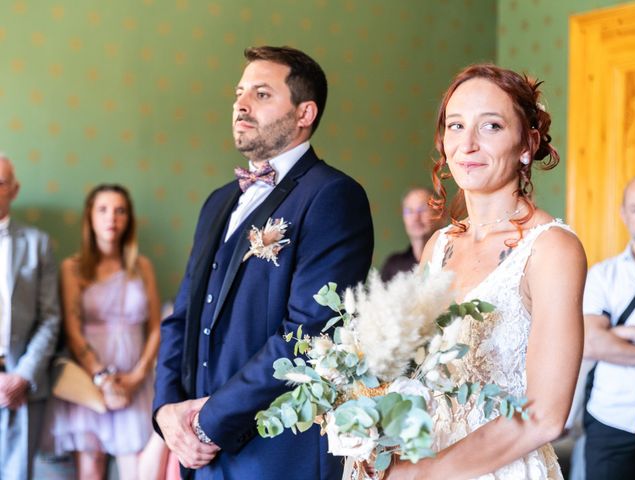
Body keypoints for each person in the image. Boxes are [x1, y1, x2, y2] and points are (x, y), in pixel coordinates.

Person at [153, 45, 374, 480]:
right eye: (239, 93)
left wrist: (208, 422)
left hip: (276, 455)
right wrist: (165, 411)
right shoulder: (218, 202)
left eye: (261, 93)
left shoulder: (333, 197)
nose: (241, 103)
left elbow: (307, 334)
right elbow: (181, 318)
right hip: (197, 457)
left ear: (304, 112)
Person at [384, 64, 587, 479]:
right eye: (456, 126)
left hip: (498, 467)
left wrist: (426, 474)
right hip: (418, 453)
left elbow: (545, 415)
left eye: (491, 126)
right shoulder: (438, 248)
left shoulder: (551, 250)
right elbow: (408, 370)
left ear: (527, 142)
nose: (467, 144)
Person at [50, 184, 161, 480]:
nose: (112, 218)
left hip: (136, 381)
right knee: (91, 468)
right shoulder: (72, 268)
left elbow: (156, 328)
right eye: (103, 210)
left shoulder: (142, 267)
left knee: (138, 471)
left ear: (129, 219)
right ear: (90, 217)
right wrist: (102, 379)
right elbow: (73, 331)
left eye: (120, 210)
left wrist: (137, 377)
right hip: (90, 382)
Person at [0, 154, 60, 479]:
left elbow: (50, 318)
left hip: (21, 383)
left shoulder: (38, 244)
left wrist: (21, 376)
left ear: (14, 189)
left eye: (0, 183)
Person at [582, 176, 635, 480]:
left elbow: (601, 339)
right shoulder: (602, 276)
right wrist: (604, 338)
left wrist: (621, 335)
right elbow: (591, 343)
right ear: (623, 215)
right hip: (611, 424)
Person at [380, 187, 441, 282]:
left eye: (423, 209)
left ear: (441, 213)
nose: (416, 218)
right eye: (409, 211)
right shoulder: (393, 265)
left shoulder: (451, 257)